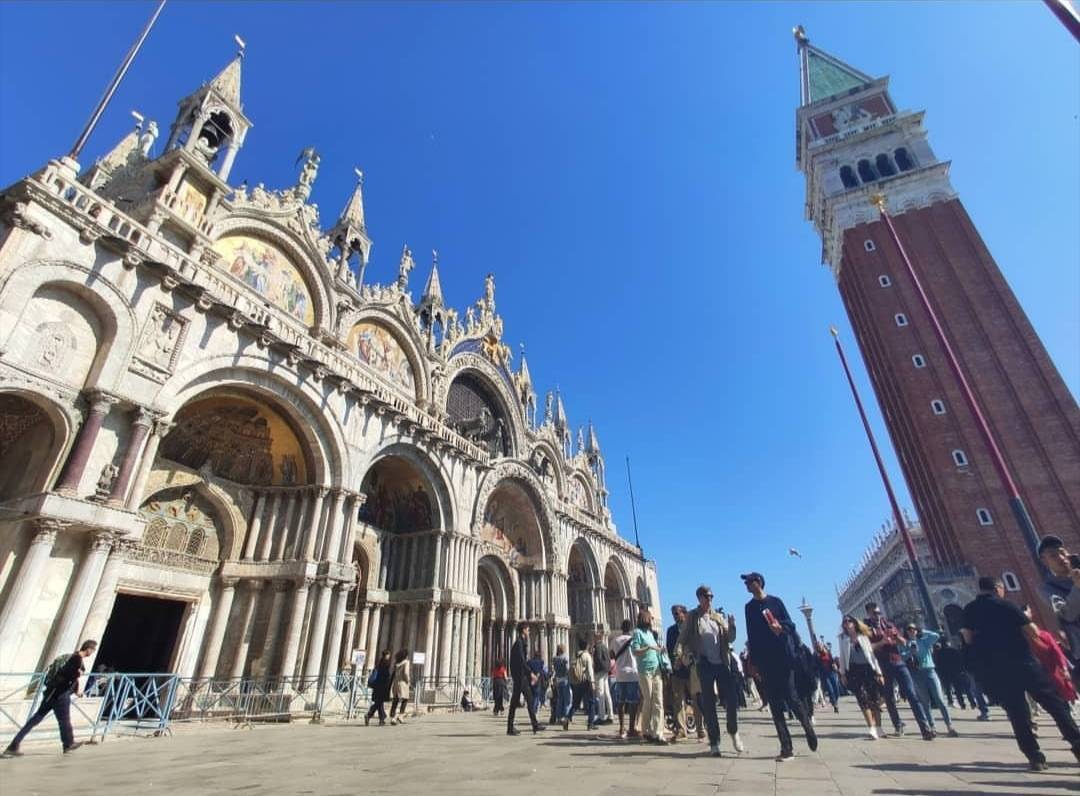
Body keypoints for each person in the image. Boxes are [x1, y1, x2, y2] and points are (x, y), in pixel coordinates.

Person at [962, 576, 1080, 771]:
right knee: (1053, 703)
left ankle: (1034, 756)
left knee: (1017, 713)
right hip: (1023, 662)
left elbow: (967, 639)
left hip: (997, 668)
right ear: (998, 588)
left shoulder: (970, 609)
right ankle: (1076, 742)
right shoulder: (1007, 605)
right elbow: (1032, 631)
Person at [742, 571, 817, 761]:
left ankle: (807, 726)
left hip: (783, 657)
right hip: (766, 661)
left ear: (758, 582)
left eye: (749, 582)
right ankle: (786, 747)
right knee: (775, 705)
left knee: (792, 697)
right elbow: (752, 635)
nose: (747, 586)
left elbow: (791, 624)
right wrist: (754, 663)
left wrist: (780, 627)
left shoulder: (775, 602)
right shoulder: (749, 608)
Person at [677, 586, 742, 757]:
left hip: (721, 662)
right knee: (708, 702)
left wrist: (732, 626)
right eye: (706, 596)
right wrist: (685, 656)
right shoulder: (692, 617)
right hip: (704, 663)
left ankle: (733, 730)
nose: (710, 599)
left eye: (711, 596)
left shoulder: (718, 617)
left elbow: (730, 638)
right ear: (699, 597)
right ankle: (714, 742)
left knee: (732, 700)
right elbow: (682, 639)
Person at [3, 639, 97, 757]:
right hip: (60, 695)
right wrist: (78, 673)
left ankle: (13, 745)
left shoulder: (72, 656)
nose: (92, 653)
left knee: (36, 719)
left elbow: (69, 678)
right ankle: (68, 744)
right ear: (89, 649)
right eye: (93, 650)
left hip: (52, 693)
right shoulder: (76, 659)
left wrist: (76, 689)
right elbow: (67, 675)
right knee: (64, 721)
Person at [864, 601, 934, 740]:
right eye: (874, 613)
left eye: (879, 612)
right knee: (889, 698)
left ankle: (925, 728)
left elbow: (904, 642)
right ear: (868, 613)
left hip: (898, 662)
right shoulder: (867, 629)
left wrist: (897, 638)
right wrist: (882, 642)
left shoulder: (888, 625)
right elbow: (868, 648)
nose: (877, 615)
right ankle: (898, 725)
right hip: (882, 666)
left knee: (912, 694)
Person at [901, 623, 957, 737]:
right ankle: (932, 727)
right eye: (909, 629)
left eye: (913, 629)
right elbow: (901, 656)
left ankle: (949, 726)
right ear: (906, 632)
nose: (911, 631)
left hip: (929, 671)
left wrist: (923, 632)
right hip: (916, 673)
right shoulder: (905, 643)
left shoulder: (923, 641)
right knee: (925, 702)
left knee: (940, 699)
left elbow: (936, 636)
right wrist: (910, 652)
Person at [1039, 535, 1080, 687]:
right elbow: (1067, 614)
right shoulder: (1047, 589)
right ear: (1044, 561)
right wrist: (1077, 587)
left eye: (1062, 552)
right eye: (1053, 555)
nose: (1061, 558)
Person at [838, 616, 885, 739]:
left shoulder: (863, 637)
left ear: (854, 623)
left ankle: (879, 728)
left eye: (849, 621)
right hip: (854, 671)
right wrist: (842, 674)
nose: (847, 624)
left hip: (868, 669)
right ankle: (871, 728)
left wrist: (879, 672)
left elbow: (872, 656)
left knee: (874, 699)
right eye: (845, 622)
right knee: (862, 699)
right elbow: (842, 657)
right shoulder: (843, 639)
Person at [1022, 604, 1078, 704]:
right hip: (1053, 672)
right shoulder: (1044, 636)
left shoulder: (1023, 641)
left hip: (1041, 675)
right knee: (1063, 696)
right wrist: (1064, 668)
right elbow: (1057, 652)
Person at [631, 607, 667, 744]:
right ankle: (646, 730)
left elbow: (655, 647)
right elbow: (635, 651)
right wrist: (648, 648)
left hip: (656, 668)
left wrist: (659, 649)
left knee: (658, 700)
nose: (651, 620)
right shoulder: (637, 633)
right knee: (649, 699)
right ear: (644, 619)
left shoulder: (651, 634)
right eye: (650, 618)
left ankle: (658, 732)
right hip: (644, 670)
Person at [507, 622, 545, 736]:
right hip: (520, 677)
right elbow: (521, 661)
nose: (529, 632)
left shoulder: (521, 643)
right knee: (523, 700)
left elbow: (522, 661)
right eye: (528, 630)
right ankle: (533, 725)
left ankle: (533, 725)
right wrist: (531, 674)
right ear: (523, 630)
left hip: (521, 676)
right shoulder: (519, 643)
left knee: (523, 700)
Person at [611, 619, 640, 739]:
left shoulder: (615, 640)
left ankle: (622, 727)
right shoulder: (634, 640)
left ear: (621, 628)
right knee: (633, 702)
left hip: (620, 674)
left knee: (620, 702)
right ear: (630, 628)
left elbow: (612, 656)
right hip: (633, 673)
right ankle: (632, 728)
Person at [565, 638, 597, 730]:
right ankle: (590, 723)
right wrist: (592, 682)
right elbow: (590, 670)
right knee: (591, 702)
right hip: (586, 681)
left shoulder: (576, 655)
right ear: (586, 646)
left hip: (577, 681)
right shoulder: (587, 656)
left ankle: (567, 718)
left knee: (576, 703)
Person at [365, 650, 392, 726]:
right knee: (379, 702)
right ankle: (370, 715)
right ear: (386, 655)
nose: (389, 656)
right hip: (382, 685)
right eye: (389, 655)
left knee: (379, 702)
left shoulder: (379, 663)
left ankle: (381, 718)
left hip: (377, 685)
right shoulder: (385, 663)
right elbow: (386, 675)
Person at [592, 631, 613, 724]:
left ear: (597, 638)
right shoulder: (605, 646)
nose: (593, 639)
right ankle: (610, 715)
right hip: (605, 671)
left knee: (600, 694)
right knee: (607, 694)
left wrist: (595, 668)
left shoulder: (598, 647)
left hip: (600, 672)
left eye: (594, 638)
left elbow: (598, 659)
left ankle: (601, 716)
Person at [389, 648, 411, 725]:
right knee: (405, 699)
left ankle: (393, 716)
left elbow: (393, 673)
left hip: (396, 683)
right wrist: (408, 680)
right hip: (403, 683)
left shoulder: (397, 663)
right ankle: (400, 716)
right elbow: (406, 673)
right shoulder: (406, 662)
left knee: (395, 700)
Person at [816, 641, 840, 713]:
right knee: (830, 690)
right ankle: (835, 705)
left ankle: (834, 700)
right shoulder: (817, 655)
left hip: (832, 673)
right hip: (824, 675)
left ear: (823, 646)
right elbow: (816, 666)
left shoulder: (828, 653)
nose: (819, 647)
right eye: (818, 646)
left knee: (836, 689)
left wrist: (834, 665)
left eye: (820, 645)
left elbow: (832, 661)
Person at [551, 643, 572, 725]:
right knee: (567, 700)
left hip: (558, 680)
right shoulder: (565, 658)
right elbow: (567, 669)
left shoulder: (555, 659)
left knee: (560, 700)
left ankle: (559, 717)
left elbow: (555, 670)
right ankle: (566, 717)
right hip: (565, 680)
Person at [527, 647, 548, 717]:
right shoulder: (541, 662)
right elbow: (541, 671)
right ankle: (534, 710)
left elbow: (528, 670)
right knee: (536, 695)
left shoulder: (529, 662)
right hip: (537, 680)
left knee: (532, 695)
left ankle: (532, 709)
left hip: (531, 679)